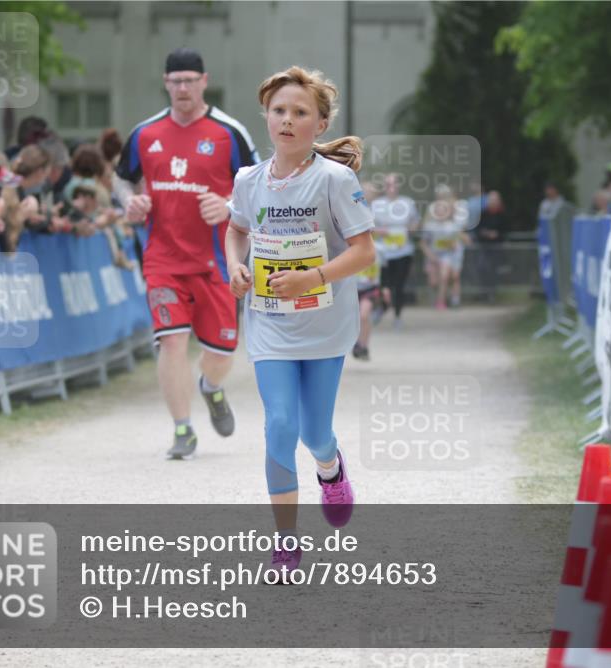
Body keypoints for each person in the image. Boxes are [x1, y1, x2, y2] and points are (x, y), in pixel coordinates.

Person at [225, 65, 375, 581]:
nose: (287, 120)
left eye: (300, 112)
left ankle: (331, 468)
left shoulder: (335, 179)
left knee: (314, 432)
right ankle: (285, 543)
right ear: (266, 117)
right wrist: (235, 266)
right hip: (269, 324)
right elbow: (235, 230)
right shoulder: (248, 179)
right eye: (279, 110)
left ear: (321, 124)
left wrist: (312, 278)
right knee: (280, 425)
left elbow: (364, 253)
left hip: (325, 324)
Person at [118, 47, 259, 459]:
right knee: (172, 342)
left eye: (189, 80)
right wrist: (131, 202)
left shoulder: (228, 132)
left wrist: (229, 204)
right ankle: (183, 429)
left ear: (203, 81)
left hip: (217, 261)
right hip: (162, 259)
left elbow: (258, 185)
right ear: (166, 83)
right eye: (175, 80)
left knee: (220, 352)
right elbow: (121, 179)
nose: (182, 87)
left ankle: (211, 388)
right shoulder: (145, 133)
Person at [371, 173, 419, 327]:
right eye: (388, 184)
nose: (391, 188)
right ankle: (382, 309)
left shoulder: (407, 202)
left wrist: (411, 229)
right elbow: (368, 227)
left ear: (398, 186)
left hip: (403, 251)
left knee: (399, 285)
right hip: (383, 252)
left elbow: (416, 222)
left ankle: (397, 316)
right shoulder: (376, 204)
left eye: (394, 184)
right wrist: (380, 231)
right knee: (384, 286)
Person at [420, 184, 470, 310]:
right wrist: (430, 255)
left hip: (448, 254)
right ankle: (441, 296)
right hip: (433, 253)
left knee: (451, 275)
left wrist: (456, 242)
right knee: (433, 282)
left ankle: (447, 300)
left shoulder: (456, 213)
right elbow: (424, 241)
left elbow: (463, 235)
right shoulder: (431, 220)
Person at [353, 181, 382, 360]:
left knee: (364, 315)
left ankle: (363, 345)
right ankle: (356, 343)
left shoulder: (380, 248)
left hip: (370, 286)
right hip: (352, 284)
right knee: (352, 319)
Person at [474, 190, 506, 303]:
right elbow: (477, 230)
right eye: (491, 200)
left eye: (495, 200)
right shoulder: (483, 213)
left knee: (493, 269)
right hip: (484, 246)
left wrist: (497, 234)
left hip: (497, 247)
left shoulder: (502, 214)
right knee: (481, 268)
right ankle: (484, 291)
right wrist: (485, 234)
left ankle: (492, 292)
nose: (493, 202)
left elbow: (505, 230)